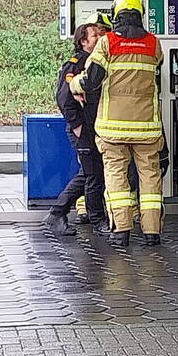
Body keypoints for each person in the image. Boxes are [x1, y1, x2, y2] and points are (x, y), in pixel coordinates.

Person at [71, 0, 165, 248]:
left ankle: (121, 231)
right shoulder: (153, 44)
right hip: (146, 127)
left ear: (116, 15)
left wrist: (75, 84)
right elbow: (158, 64)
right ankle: (152, 232)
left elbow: (91, 81)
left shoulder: (107, 43)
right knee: (149, 178)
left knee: (116, 178)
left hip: (113, 128)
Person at [43, 15, 111, 237]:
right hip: (83, 128)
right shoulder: (78, 63)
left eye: (102, 34)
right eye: (95, 35)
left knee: (92, 172)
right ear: (84, 41)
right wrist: (77, 125)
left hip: (92, 126)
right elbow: (64, 97)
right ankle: (88, 218)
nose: (100, 38)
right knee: (93, 174)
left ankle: (62, 213)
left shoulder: (95, 62)